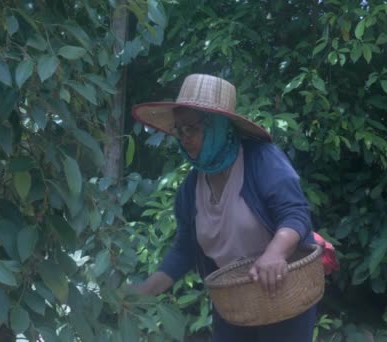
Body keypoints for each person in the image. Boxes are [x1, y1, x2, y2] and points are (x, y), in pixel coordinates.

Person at [131, 74, 318, 341]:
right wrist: (145, 290)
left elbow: (295, 213)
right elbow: (185, 248)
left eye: (191, 129)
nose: (184, 138)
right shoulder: (191, 189)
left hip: (284, 293)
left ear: (217, 127)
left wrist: (275, 253)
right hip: (235, 302)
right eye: (179, 130)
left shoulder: (260, 160)